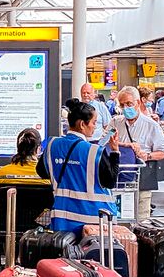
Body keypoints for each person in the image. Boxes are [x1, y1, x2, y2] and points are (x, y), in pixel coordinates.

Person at [37, 99, 121, 233]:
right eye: (94, 122)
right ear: (82, 124)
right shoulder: (94, 151)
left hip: (62, 219)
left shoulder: (52, 145)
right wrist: (115, 152)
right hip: (95, 221)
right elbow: (110, 181)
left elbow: (42, 171)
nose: (95, 126)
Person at [109, 86, 164, 218]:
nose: (126, 108)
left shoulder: (151, 125)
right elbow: (103, 143)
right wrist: (126, 145)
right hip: (118, 181)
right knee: (117, 219)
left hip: (141, 180)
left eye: (129, 104)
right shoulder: (115, 122)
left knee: (141, 219)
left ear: (138, 102)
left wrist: (146, 155)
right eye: (122, 105)